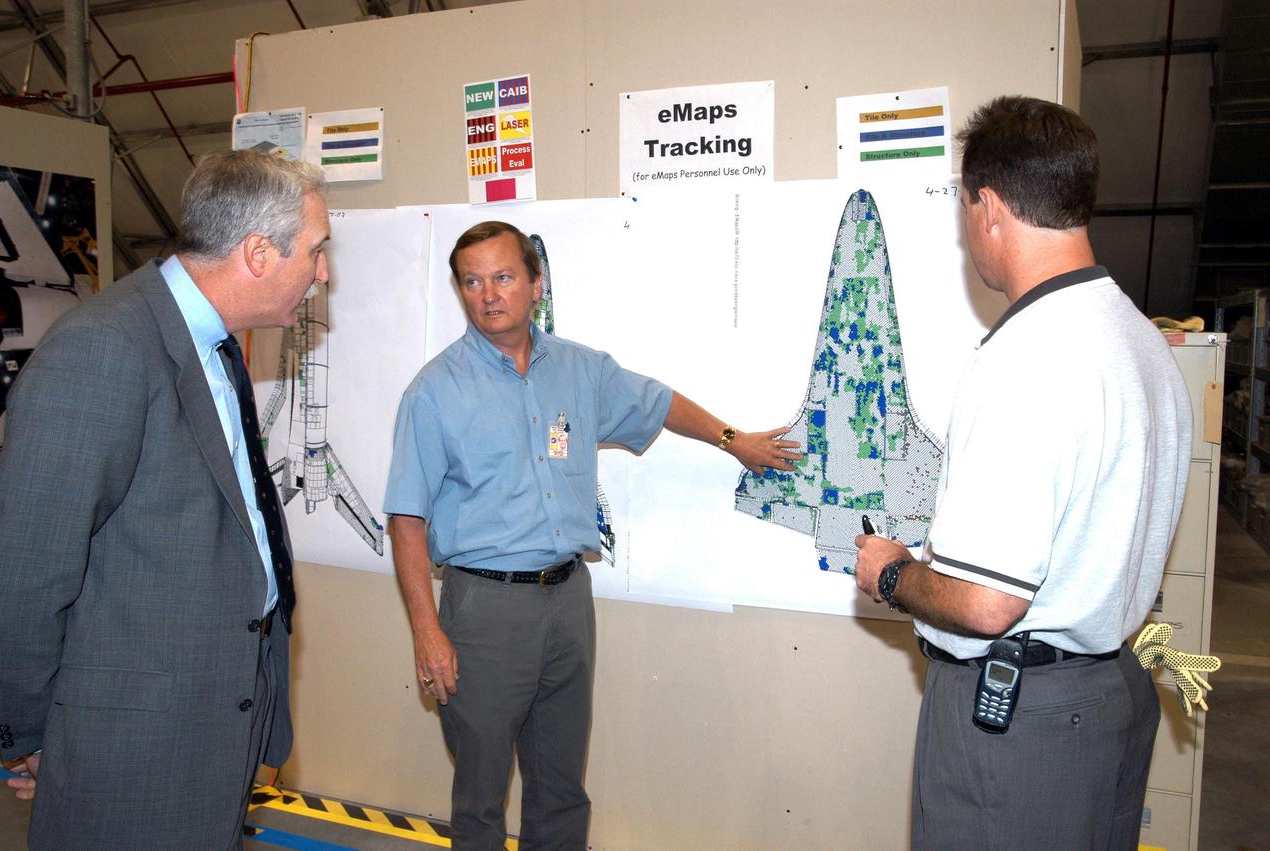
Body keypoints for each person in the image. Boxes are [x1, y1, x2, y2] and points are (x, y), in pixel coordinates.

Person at [385, 220, 801, 849]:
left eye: (502, 277)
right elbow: (406, 519)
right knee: (480, 796)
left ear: (535, 285)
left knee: (561, 789)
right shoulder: (434, 392)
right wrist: (426, 631)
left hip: (567, 601)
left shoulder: (582, 372)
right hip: (483, 611)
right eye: (471, 282)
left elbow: (659, 403)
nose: (488, 294)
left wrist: (732, 439)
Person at [853, 95, 1192, 850]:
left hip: (1019, 726)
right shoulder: (1138, 337)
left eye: (964, 204)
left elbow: (985, 602)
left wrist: (891, 573)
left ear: (991, 208)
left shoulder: (1025, 356)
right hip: (1112, 690)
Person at [0, 149, 328, 848]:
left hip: (209, 717)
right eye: (316, 252)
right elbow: (25, 566)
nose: (322, 274)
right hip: (130, 744)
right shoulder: (105, 350)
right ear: (259, 253)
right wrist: (29, 728)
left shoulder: (212, 344)